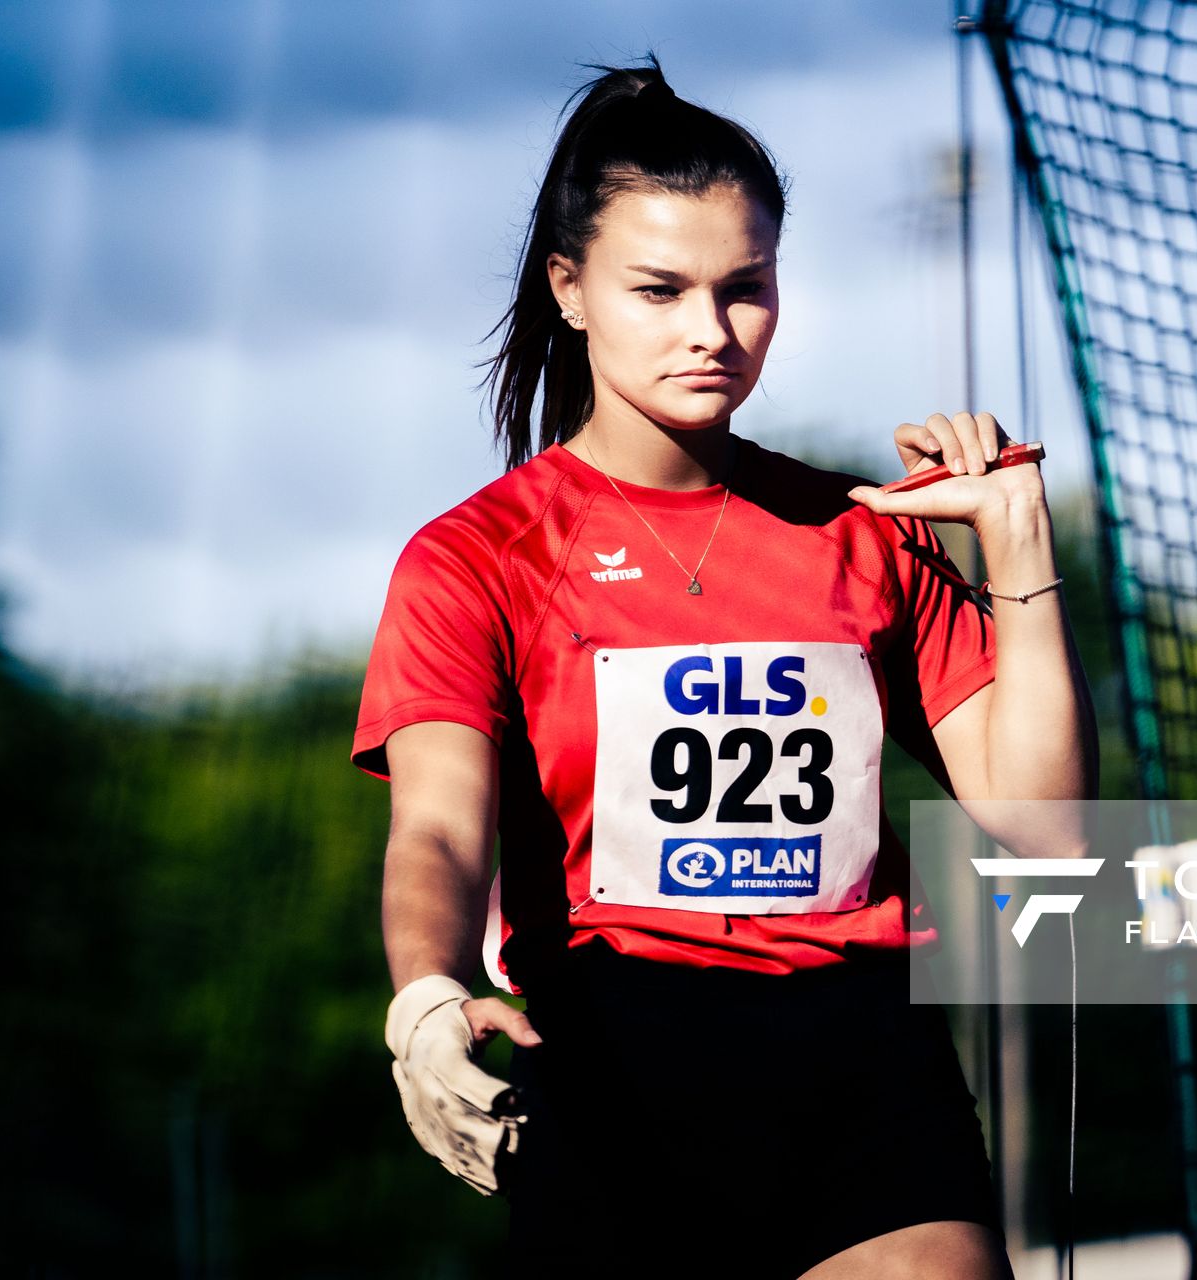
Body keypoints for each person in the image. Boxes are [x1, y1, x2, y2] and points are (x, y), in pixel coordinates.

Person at [351, 54, 1097, 1279]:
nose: (711, 329)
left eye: (744, 287)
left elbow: (1051, 830)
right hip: (610, 1076)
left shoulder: (864, 530)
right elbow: (437, 831)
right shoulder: (474, 558)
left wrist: (1018, 544)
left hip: (866, 1063)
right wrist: (425, 995)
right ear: (571, 288)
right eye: (661, 288)